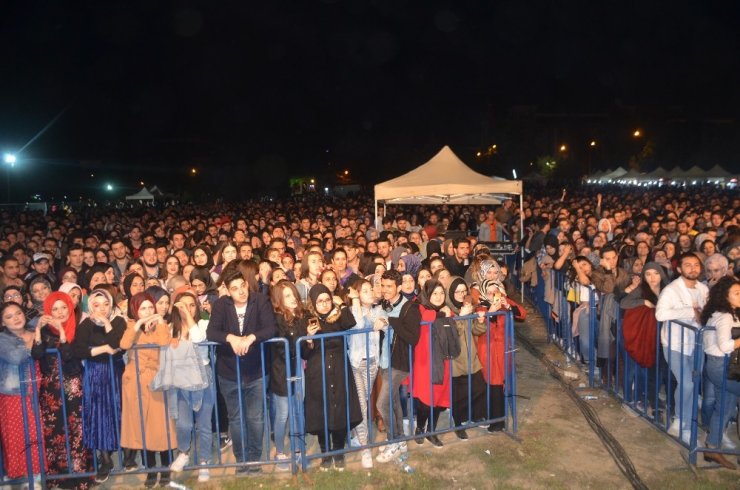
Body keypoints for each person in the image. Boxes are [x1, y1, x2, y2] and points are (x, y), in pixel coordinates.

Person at [206, 268, 277, 475]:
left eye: (242, 286)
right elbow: (212, 331)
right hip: (229, 372)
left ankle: (254, 460)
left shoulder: (260, 301)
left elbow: (271, 328)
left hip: (256, 371)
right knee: (235, 419)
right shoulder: (221, 305)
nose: (241, 292)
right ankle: (241, 460)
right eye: (234, 289)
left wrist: (251, 337)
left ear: (247, 284)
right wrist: (232, 338)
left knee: (256, 418)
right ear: (228, 291)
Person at [32, 291, 95, 489]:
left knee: (77, 430)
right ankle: (59, 477)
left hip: (73, 387)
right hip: (51, 391)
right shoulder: (44, 332)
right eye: (55, 309)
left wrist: (62, 332)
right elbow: (37, 353)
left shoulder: (79, 329)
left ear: (70, 308)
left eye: (64, 308)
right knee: (54, 431)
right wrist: (37, 331)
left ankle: (79, 474)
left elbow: (70, 357)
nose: (60, 312)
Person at [303, 284, 362, 471]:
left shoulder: (337, 315)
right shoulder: (307, 320)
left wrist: (342, 304)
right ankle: (325, 453)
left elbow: (351, 322)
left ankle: (338, 451)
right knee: (321, 412)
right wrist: (309, 339)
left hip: (339, 370)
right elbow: (303, 352)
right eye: (320, 301)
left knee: (339, 410)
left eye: (327, 299)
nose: (324, 304)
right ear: (312, 303)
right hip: (317, 372)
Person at [119, 292, 175, 488]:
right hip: (135, 382)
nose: (148, 311)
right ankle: (150, 470)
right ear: (135, 310)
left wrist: (159, 320)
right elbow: (124, 344)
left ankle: (166, 468)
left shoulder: (162, 326)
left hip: (157, 380)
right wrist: (136, 324)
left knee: (161, 426)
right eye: (143, 308)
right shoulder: (130, 327)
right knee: (143, 428)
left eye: (150, 307)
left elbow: (164, 343)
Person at [71, 288, 127, 483]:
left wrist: (105, 323)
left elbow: (117, 343)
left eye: (105, 304)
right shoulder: (86, 324)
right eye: (96, 305)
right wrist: (102, 349)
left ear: (111, 304)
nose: (101, 309)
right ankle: (105, 459)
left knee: (117, 411)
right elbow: (78, 350)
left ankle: (125, 453)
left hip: (115, 373)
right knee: (99, 415)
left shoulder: (119, 321)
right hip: (94, 374)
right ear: (90, 306)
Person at [655, 253, 709, 442]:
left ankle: (683, 421)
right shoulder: (671, 290)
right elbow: (660, 314)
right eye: (688, 265)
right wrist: (691, 311)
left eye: (696, 265)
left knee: (693, 384)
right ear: (679, 269)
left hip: (697, 344)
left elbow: (707, 315)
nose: (693, 268)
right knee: (687, 383)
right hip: (675, 343)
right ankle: (682, 423)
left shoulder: (704, 289)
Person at [167, 290, 214, 483]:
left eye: (191, 305)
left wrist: (188, 317)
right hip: (181, 379)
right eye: (183, 305)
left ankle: (204, 461)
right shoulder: (172, 328)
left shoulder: (203, 323)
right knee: (183, 423)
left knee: (204, 424)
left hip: (203, 377)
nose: (187, 309)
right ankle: (184, 452)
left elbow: (199, 339)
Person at [375, 270, 420, 464]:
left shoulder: (409, 308)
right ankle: (400, 439)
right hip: (385, 361)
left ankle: (393, 440)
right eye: (382, 285)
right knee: (393, 402)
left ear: (399, 288)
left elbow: (413, 338)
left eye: (389, 286)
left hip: (400, 364)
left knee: (381, 403)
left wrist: (390, 322)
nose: (384, 290)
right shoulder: (385, 304)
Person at [408, 279, 460, 447]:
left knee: (438, 398)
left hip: (442, 360)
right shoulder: (421, 307)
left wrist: (447, 313)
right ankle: (420, 428)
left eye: (441, 293)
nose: (438, 297)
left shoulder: (445, 310)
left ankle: (432, 430)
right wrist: (443, 314)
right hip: (425, 361)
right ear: (427, 294)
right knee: (425, 399)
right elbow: (426, 317)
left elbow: (453, 316)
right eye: (435, 293)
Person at [0, 302, 45, 481]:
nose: (16, 318)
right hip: (13, 394)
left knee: (34, 432)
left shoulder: (32, 331)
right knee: (15, 435)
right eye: (9, 316)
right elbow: (16, 357)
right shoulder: (3, 338)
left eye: (18, 313)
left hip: (33, 390)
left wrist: (36, 333)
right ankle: (19, 477)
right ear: (3, 322)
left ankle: (35, 476)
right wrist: (34, 339)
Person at [700, 276, 740, 469]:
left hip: (720, 366)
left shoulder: (724, 312)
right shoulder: (724, 316)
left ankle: (712, 449)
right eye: (737, 293)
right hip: (722, 366)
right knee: (724, 407)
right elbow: (725, 346)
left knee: (725, 407)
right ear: (725, 296)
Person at [269, 281, 309, 472]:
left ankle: (299, 449)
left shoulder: (301, 317)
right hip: (282, 372)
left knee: (298, 410)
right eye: (287, 296)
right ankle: (279, 450)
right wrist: (302, 339)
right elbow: (284, 349)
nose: (293, 298)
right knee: (283, 413)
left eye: (293, 294)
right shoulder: (276, 319)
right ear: (279, 300)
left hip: (298, 369)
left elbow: (304, 350)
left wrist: (308, 339)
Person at [347, 278, 386, 468]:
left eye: (371, 289)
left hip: (373, 363)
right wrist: (355, 301)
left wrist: (382, 321)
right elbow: (358, 325)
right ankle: (365, 447)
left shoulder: (378, 309)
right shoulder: (352, 311)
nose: (370, 292)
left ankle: (357, 434)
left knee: (364, 403)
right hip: (356, 364)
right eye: (364, 291)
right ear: (357, 294)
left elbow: (384, 322)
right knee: (362, 405)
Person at [445, 276, 488, 440]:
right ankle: (458, 423)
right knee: (460, 394)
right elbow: (453, 335)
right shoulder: (448, 311)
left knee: (478, 387)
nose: (462, 295)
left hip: (471, 356)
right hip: (456, 359)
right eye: (458, 291)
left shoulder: (468, 307)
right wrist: (461, 316)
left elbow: (476, 331)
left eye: (464, 291)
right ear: (451, 292)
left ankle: (475, 415)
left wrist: (480, 321)